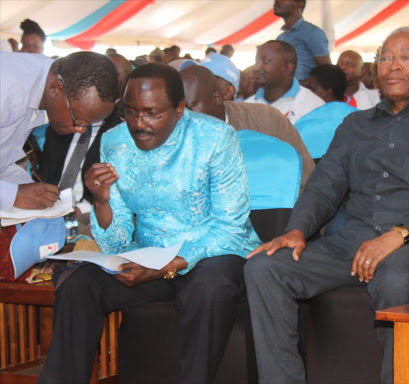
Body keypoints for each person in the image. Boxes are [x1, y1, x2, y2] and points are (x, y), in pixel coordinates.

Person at [244, 27, 409, 384]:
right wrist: (296, 231)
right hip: (351, 243)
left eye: (406, 57)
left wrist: (400, 235)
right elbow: (323, 186)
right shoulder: (355, 124)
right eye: (385, 57)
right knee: (265, 268)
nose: (393, 66)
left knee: (396, 275)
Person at [37, 63, 261, 384]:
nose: (139, 124)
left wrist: (165, 267)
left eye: (152, 112)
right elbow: (115, 244)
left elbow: (231, 227)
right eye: (130, 112)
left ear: (180, 109)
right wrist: (101, 201)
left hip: (213, 255)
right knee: (78, 283)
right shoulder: (115, 142)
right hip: (149, 256)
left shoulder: (215, 138)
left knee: (208, 287)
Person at [0, 51, 117, 213]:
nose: (81, 130)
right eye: (78, 120)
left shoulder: (42, 82)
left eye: (90, 124)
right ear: (56, 88)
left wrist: (23, 187)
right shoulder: (7, 88)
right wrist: (13, 195)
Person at [180, 65, 314, 191]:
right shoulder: (173, 134)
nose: (184, 116)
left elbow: (307, 179)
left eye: (190, 107)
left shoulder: (267, 120)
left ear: (217, 98)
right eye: (178, 109)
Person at [34, 53, 131, 223]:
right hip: (49, 207)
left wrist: (82, 208)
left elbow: (121, 195)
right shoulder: (63, 117)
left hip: (89, 212)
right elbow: (45, 173)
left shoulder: (122, 134)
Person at [244, 40, 324, 124]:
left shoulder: (313, 107)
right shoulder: (246, 107)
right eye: (256, 61)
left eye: (266, 61)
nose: (257, 67)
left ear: (287, 68)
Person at [295, 64, 358, 160]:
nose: (308, 93)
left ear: (328, 93)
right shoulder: (364, 119)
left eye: (312, 89)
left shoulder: (304, 122)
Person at [274, 0, 330, 84]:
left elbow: (328, 72)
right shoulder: (280, 38)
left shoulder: (312, 32)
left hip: (306, 93)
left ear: (299, 4)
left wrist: (297, 85)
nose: (276, 1)